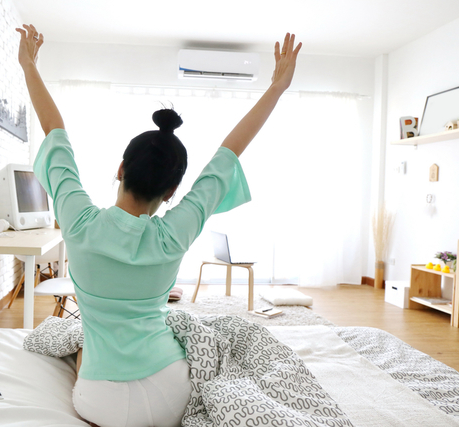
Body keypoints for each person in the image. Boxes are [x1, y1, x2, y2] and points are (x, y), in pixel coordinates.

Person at [16, 24, 301, 427]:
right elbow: (228, 155)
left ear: (120, 169)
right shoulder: (174, 234)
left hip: (99, 401)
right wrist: (275, 88)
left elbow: (55, 135)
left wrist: (28, 64)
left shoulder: (78, 221)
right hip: (170, 394)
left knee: (82, 347)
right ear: (170, 192)